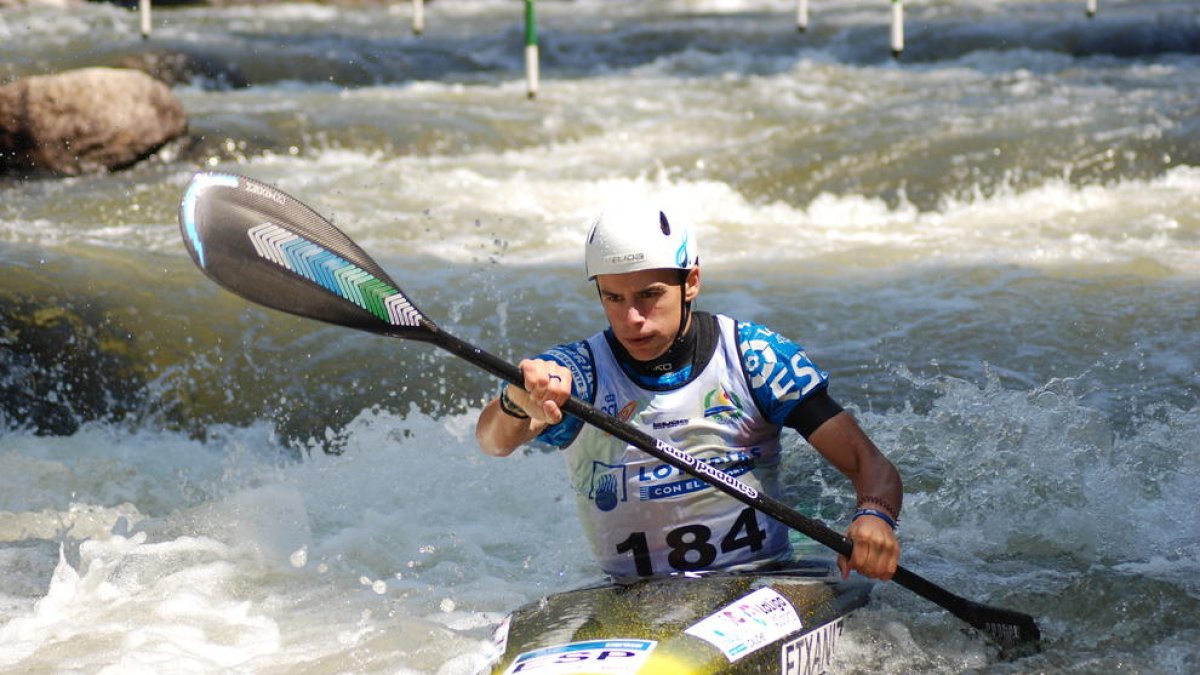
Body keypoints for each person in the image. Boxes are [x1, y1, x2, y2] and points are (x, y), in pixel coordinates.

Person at [475, 201, 901, 582]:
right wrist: (517, 400)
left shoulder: (754, 358)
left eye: (649, 295)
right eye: (613, 298)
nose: (632, 318)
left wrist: (874, 516)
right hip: (628, 593)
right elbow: (493, 442)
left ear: (691, 281)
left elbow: (872, 465)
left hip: (759, 581)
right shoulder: (578, 373)